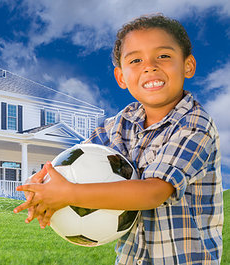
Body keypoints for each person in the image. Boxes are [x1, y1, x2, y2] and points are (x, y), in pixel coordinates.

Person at [14, 14, 223, 265]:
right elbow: (77, 161)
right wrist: (42, 185)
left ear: (188, 65)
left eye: (164, 56)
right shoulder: (121, 123)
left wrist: (69, 193)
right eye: (136, 60)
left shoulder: (195, 124)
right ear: (121, 77)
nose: (150, 66)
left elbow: (153, 193)